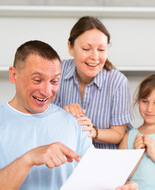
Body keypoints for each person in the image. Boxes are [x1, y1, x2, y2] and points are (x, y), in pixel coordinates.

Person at [0, 40, 139, 190]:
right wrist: (29, 159)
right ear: (13, 75)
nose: (47, 91)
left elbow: (95, 184)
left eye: (54, 81)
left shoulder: (74, 122)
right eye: (37, 80)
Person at [52, 16, 133, 149]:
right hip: (65, 157)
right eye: (86, 48)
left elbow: (118, 134)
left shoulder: (118, 82)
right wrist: (62, 114)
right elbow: (41, 117)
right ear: (70, 47)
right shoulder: (56, 71)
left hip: (104, 160)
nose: (94, 56)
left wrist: (92, 131)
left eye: (101, 50)